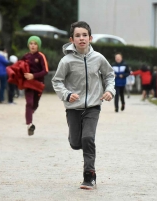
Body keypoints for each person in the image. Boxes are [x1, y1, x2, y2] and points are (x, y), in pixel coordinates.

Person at [52, 21, 115, 190]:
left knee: (88, 138)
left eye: (84, 35)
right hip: (73, 108)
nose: (82, 38)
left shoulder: (99, 58)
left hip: (93, 106)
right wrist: (66, 94)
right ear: (72, 39)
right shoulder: (66, 61)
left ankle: (89, 176)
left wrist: (110, 90)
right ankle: (76, 140)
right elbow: (57, 81)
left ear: (90, 38)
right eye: (78, 36)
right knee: (75, 142)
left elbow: (109, 75)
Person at [21, 36, 49, 135]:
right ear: (28, 45)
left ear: (38, 46)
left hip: (38, 84)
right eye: (31, 43)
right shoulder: (25, 56)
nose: (33, 45)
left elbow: (45, 71)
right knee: (29, 102)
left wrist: (33, 75)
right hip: (28, 84)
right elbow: (20, 68)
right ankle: (29, 124)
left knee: (35, 104)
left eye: (35, 44)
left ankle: (30, 113)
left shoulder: (41, 56)